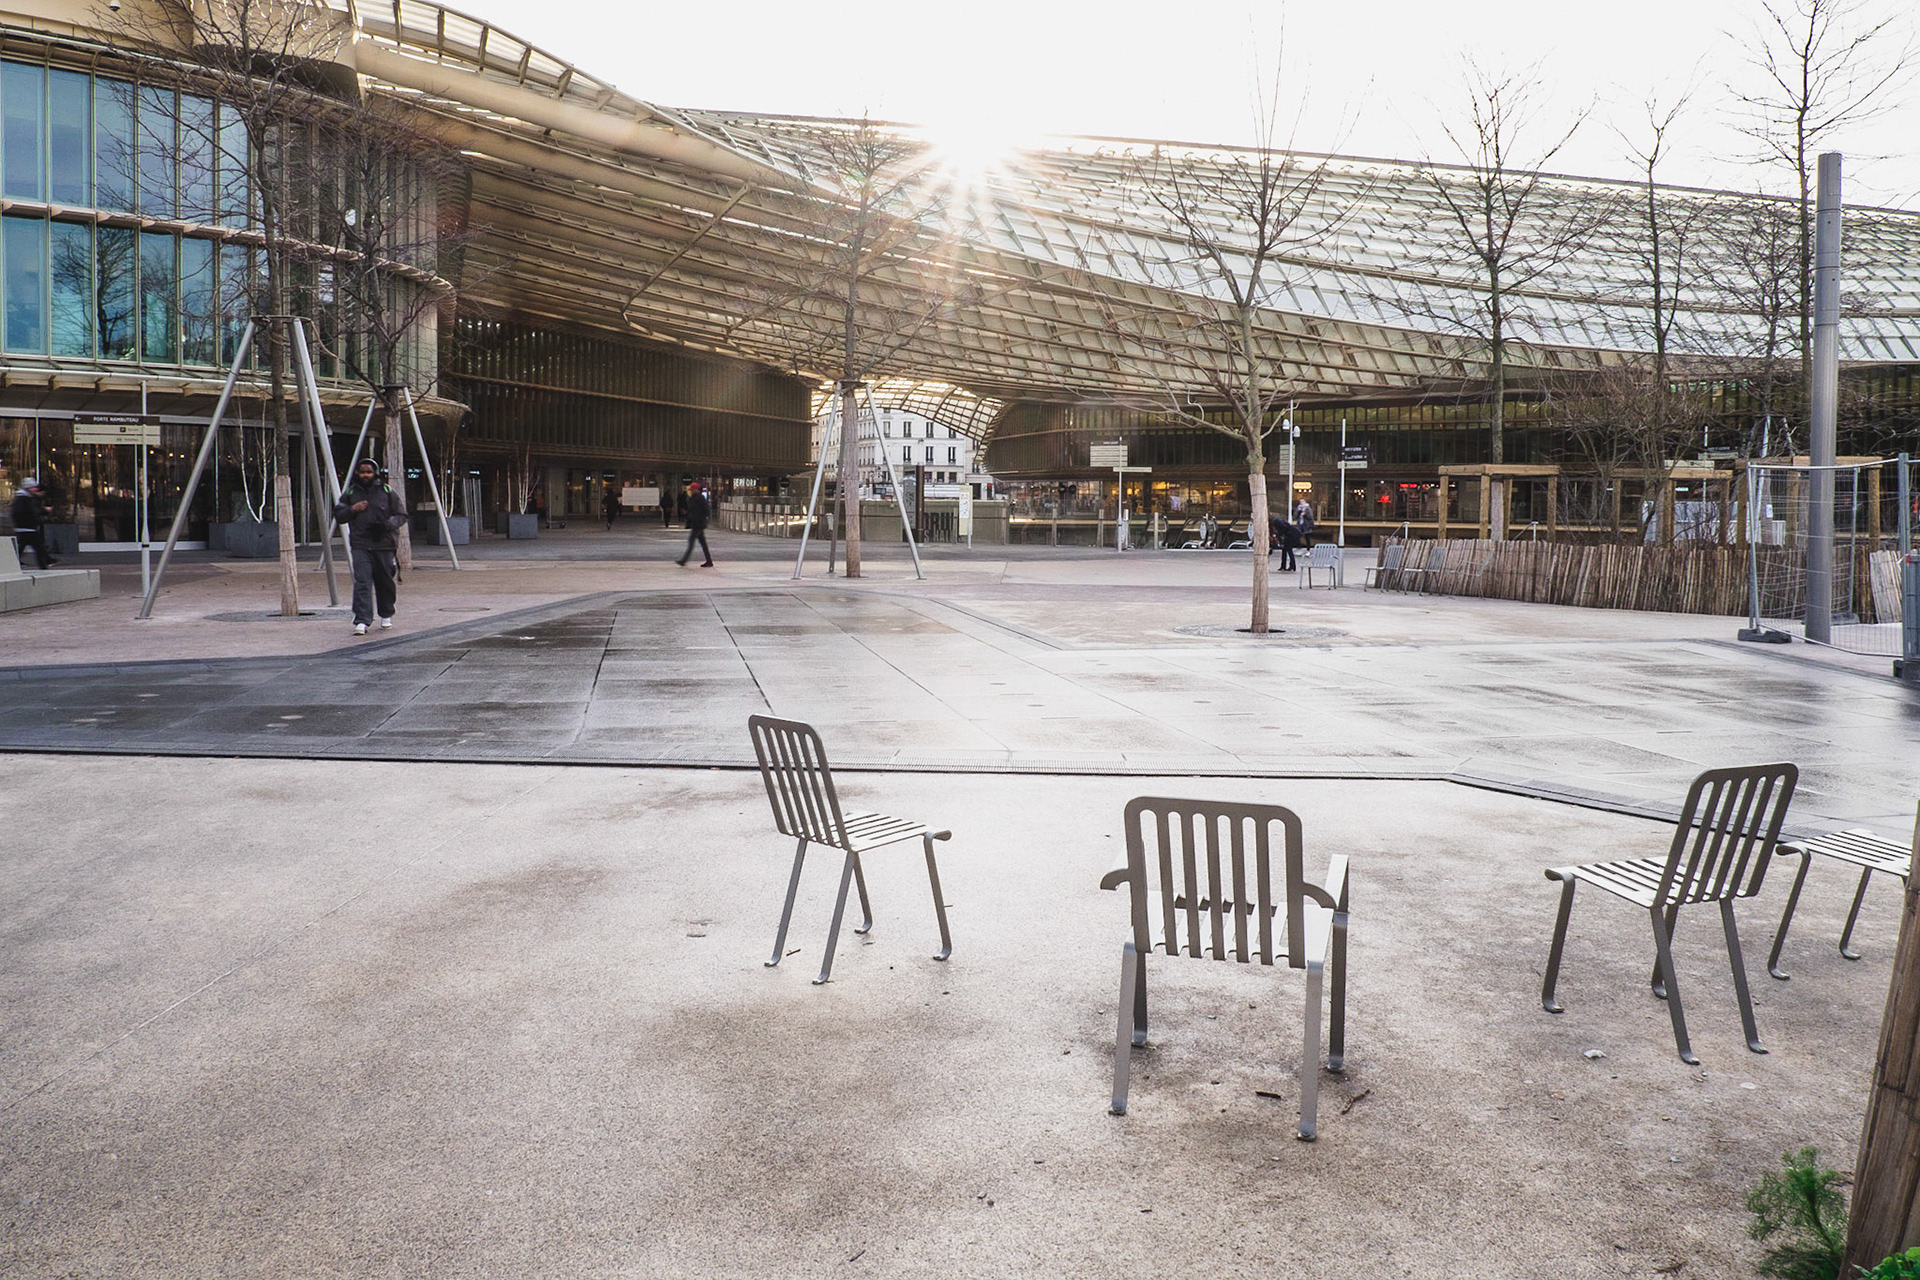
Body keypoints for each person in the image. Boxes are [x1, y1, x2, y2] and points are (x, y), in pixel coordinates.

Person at [332, 458, 407, 635]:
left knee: (385, 582)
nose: (365, 475)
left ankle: (386, 614)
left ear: (375, 473)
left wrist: (387, 525)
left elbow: (401, 515)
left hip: (384, 544)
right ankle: (362, 620)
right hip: (361, 544)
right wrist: (353, 509)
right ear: (358, 473)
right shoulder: (350, 493)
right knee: (362, 582)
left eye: (369, 472)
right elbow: (339, 515)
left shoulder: (387, 492)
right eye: (362, 472)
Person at [9, 477, 55, 569]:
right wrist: (42, 512)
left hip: (26, 527)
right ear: (28, 488)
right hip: (27, 526)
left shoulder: (26, 498)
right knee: (37, 545)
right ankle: (45, 562)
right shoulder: (24, 499)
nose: (35, 489)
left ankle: (44, 562)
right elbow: (28, 511)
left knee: (28, 545)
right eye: (33, 487)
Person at [676, 479, 713, 567]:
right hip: (697, 523)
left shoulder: (698, 498)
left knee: (691, 541)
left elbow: (705, 510)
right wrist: (687, 513)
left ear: (696, 489)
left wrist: (700, 517)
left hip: (698, 524)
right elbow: (694, 510)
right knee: (703, 543)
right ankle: (709, 561)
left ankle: (683, 560)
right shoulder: (694, 498)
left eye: (692, 489)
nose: (691, 491)